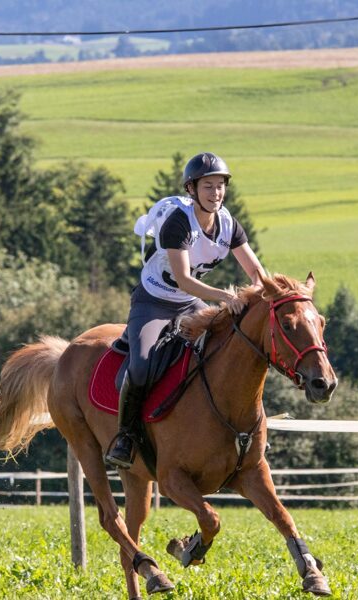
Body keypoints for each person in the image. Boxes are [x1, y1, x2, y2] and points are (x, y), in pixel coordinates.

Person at [105, 152, 265, 469]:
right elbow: (184, 280)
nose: (216, 193)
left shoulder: (229, 225)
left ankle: (246, 428)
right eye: (208, 186)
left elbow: (256, 273)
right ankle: (126, 436)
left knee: (231, 349)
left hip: (190, 303)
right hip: (154, 302)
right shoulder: (178, 222)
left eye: (220, 186)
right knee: (141, 367)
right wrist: (225, 297)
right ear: (191, 189)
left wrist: (271, 294)